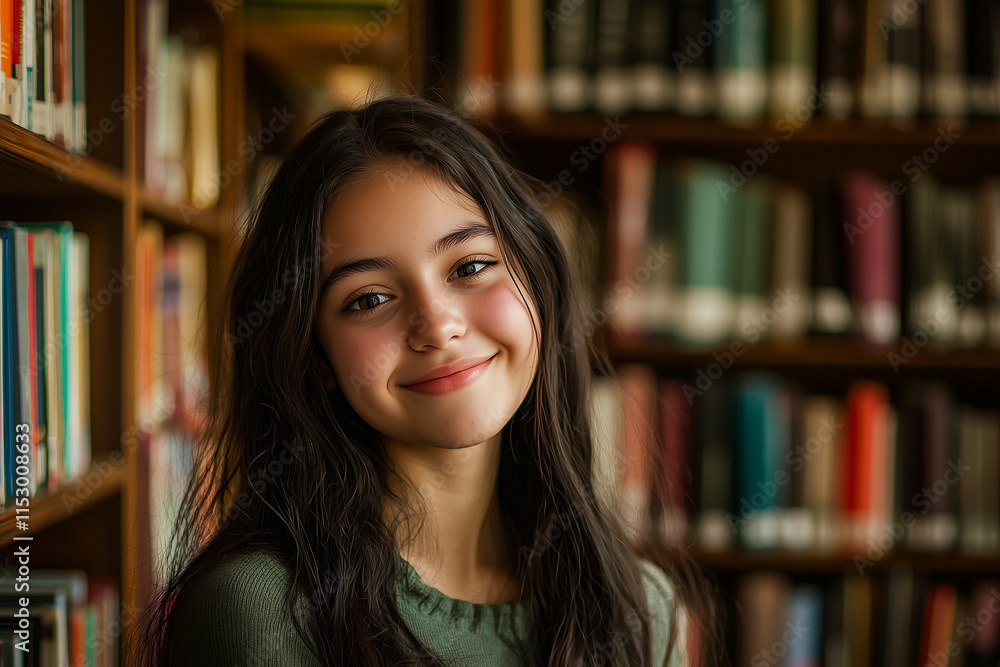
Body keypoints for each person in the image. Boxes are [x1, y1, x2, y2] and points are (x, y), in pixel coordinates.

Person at [133, 95, 720, 666]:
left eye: (470, 267)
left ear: (536, 283)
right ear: (314, 357)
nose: (437, 326)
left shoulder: (642, 604)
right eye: (369, 299)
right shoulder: (260, 613)